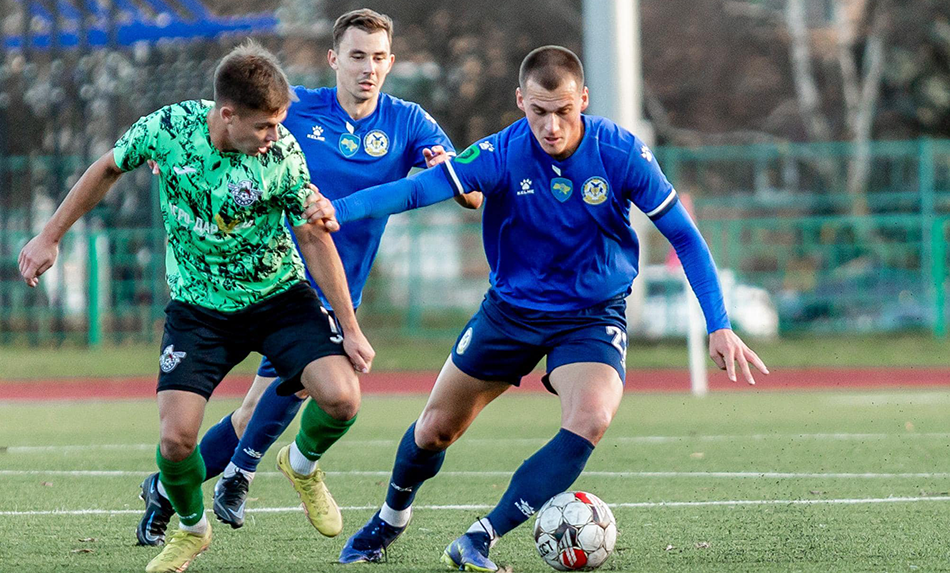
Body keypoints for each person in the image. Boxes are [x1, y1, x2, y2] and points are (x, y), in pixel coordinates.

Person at [305, 45, 770, 570]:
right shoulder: (499, 153)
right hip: (509, 313)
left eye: (564, 111)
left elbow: (684, 236)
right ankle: (389, 519)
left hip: (591, 317)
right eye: (539, 111)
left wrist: (719, 325)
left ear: (583, 100)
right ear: (520, 101)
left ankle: (480, 536)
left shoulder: (619, 153)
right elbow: (416, 191)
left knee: (591, 417)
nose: (551, 126)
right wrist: (338, 208)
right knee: (435, 430)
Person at [18, 41, 375, 573]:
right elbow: (107, 167)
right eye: (264, 125)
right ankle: (192, 529)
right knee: (176, 440)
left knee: (343, 398)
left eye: (279, 123)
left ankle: (301, 464)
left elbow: (312, 235)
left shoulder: (281, 154)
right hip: (199, 310)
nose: (275, 135)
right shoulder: (168, 130)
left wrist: (350, 327)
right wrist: (50, 235)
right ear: (227, 115)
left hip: (277, 297)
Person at [132, 9, 481, 546]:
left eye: (378, 57)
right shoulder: (298, 110)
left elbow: (472, 192)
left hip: (341, 286)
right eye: (357, 56)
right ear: (333, 59)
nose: (368, 68)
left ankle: (170, 488)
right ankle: (244, 475)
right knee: (290, 399)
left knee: (255, 411)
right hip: (280, 284)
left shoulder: (409, 122)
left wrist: (447, 177)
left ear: (391, 62)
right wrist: (175, 153)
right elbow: (231, 113)